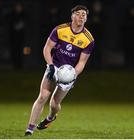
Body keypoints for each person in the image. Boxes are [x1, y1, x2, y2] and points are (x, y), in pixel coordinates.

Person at [24, 5, 95, 136]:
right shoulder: (60, 30)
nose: (81, 16)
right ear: (72, 16)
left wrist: (73, 75)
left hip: (69, 73)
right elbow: (47, 48)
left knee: (54, 104)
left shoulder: (88, 39)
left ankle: (51, 117)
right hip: (55, 67)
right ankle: (30, 129)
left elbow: (82, 62)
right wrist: (50, 66)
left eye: (84, 15)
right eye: (78, 13)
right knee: (43, 96)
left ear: (86, 19)